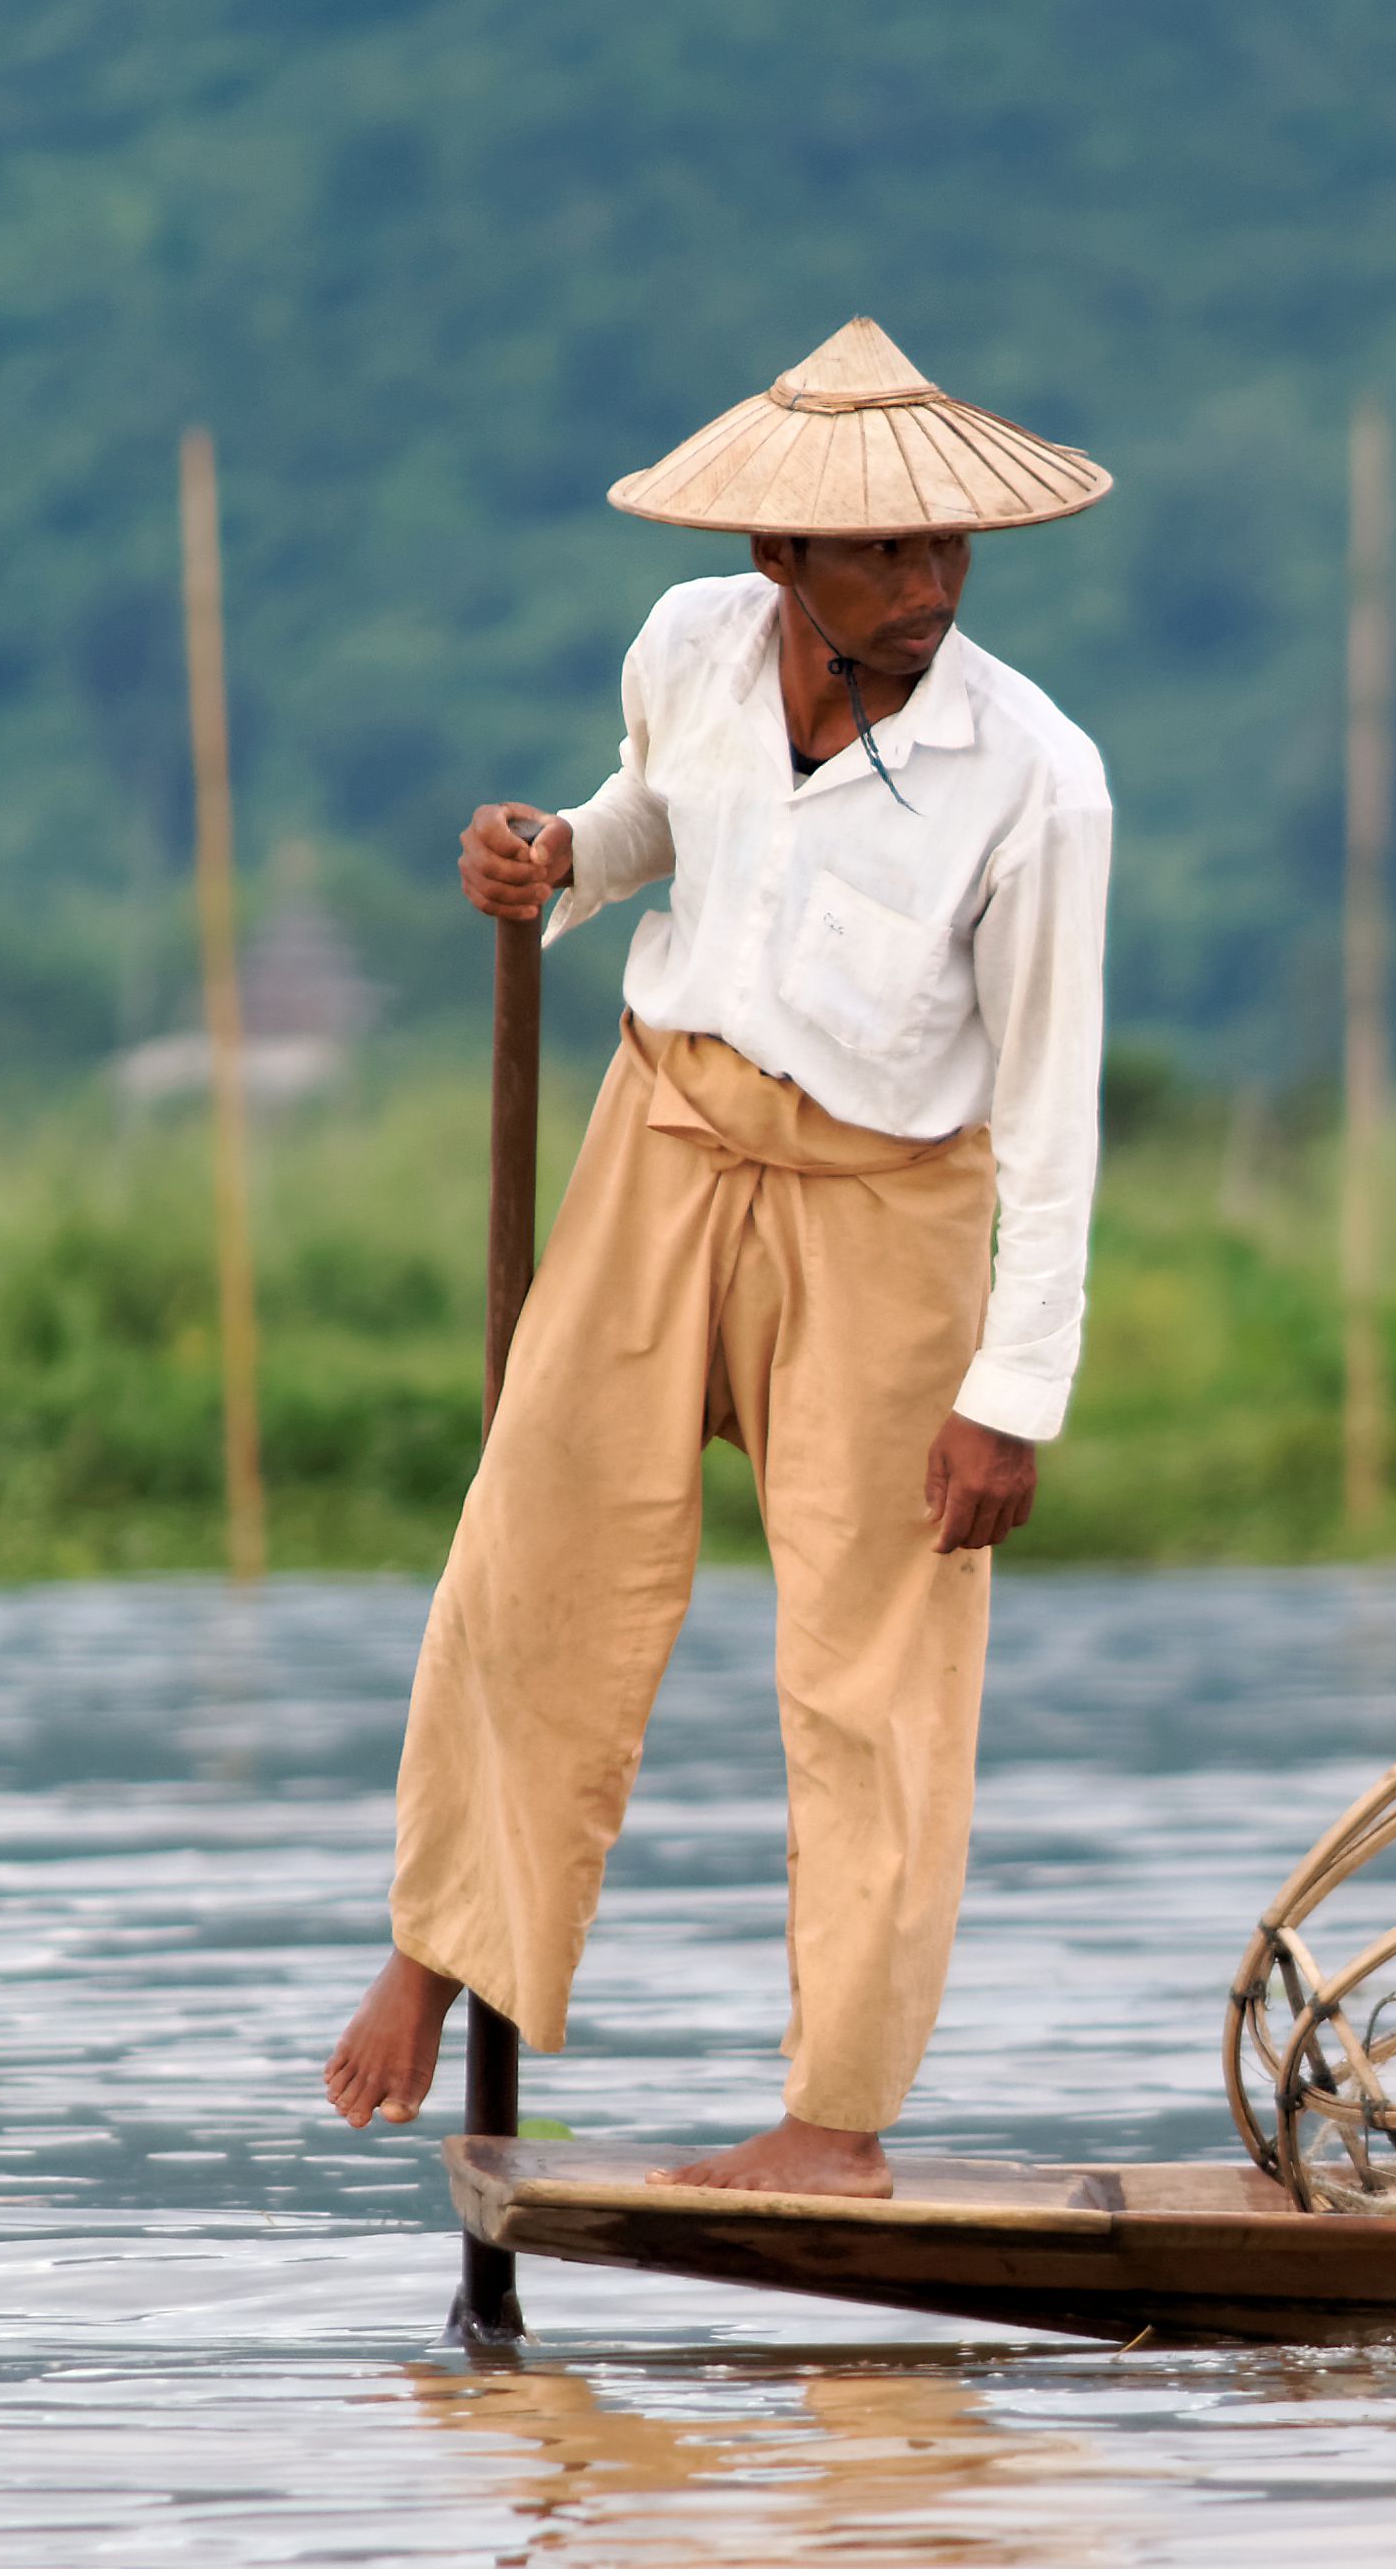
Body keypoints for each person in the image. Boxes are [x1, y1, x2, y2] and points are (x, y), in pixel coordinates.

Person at [318, 319, 1115, 2196]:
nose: (926, 591)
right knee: (535, 1548)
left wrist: (1014, 1394)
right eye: (885, 558)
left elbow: (1055, 1110)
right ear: (781, 561)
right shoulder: (686, 644)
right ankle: (451, 1939)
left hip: (888, 1208)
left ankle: (831, 2120)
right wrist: (558, 861)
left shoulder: (1037, 775)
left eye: (949, 555)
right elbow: (664, 825)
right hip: (662, 1139)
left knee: (871, 1669)